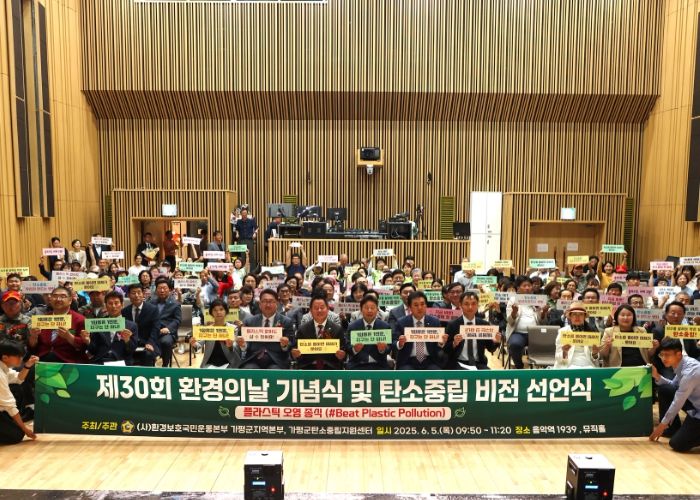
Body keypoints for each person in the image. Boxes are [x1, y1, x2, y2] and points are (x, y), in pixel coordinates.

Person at [649, 338, 700, 451]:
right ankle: (673, 428)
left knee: (677, 444)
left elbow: (678, 401)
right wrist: (657, 376)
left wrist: (662, 425)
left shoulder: (690, 372)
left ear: (678, 354)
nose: (663, 358)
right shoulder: (681, 363)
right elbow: (673, 386)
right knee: (665, 390)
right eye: (661, 355)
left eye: (667, 355)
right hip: (696, 406)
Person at [236, 290, 294, 369]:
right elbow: (246, 344)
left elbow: (291, 343)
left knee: (274, 371)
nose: (268, 304)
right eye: (264, 301)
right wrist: (243, 345)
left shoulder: (286, 321)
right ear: (260, 304)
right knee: (249, 369)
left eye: (271, 301)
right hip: (253, 358)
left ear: (277, 304)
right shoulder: (249, 321)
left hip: (277, 360)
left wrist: (285, 345)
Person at [27, 286, 87, 363]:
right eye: (55, 296)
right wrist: (33, 337)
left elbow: (84, 346)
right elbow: (32, 347)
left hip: (68, 362)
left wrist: (69, 337)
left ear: (70, 300)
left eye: (63, 296)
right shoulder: (42, 319)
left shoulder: (80, 319)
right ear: (50, 300)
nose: (58, 299)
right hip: (42, 361)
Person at [393, 291, 448, 370]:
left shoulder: (434, 321)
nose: (420, 308)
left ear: (426, 305)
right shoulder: (401, 322)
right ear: (410, 307)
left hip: (430, 360)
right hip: (408, 361)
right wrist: (400, 343)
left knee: (437, 373)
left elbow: (438, 345)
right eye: (416, 305)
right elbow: (394, 342)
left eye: (422, 304)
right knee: (405, 373)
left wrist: (441, 342)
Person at [446, 291, 501, 370]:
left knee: (489, 374)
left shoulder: (484, 324)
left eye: (474, 304)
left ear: (478, 305)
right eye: (466, 304)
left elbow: (491, 349)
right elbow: (445, 350)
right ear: (460, 305)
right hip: (458, 363)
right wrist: (454, 343)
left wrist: (496, 342)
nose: (470, 307)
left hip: (478, 363)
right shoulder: (453, 324)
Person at [80, 291, 138, 365]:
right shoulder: (98, 323)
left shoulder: (132, 326)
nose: (113, 306)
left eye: (116, 303)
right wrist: (87, 341)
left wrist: (127, 340)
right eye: (110, 303)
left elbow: (131, 350)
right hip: (100, 361)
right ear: (106, 306)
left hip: (121, 362)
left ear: (122, 305)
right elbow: (93, 350)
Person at [292, 295, 347, 370]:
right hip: (307, 368)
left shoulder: (337, 329)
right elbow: (296, 350)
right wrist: (296, 354)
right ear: (310, 310)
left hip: (331, 369)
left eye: (322, 307)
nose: (319, 310)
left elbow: (344, 352)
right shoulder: (302, 329)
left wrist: (342, 355)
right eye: (316, 308)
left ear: (328, 309)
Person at [0, 341, 38, 444]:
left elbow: (18, 378)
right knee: (17, 434)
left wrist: (28, 366)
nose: (21, 359)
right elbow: (10, 406)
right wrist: (25, 429)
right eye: (18, 356)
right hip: (4, 406)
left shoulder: (3, 367)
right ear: (5, 357)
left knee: (17, 388)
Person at [506, 276, 544, 369]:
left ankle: (539, 367)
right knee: (515, 344)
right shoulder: (513, 300)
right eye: (524, 286)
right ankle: (519, 367)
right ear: (518, 288)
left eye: (529, 285)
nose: (527, 288)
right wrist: (514, 312)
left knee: (547, 342)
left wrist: (544, 312)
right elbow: (510, 321)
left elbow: (542, 321)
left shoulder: (537, 299)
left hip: (535, 332)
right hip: (518, 333)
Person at [345, 295, 392, 370]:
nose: (369, 310)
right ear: (361, 310)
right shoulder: (353, 326)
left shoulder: (385, 326)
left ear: (377, 310)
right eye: (366, 308)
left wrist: (383, 349)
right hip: (357, 364)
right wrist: (355, 349)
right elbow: (347, 346)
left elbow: (389, 348)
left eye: (372, 308)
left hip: (379, 364)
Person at [190, 299, 241, 369]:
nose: (218, 312)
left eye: (221, 309)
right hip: (210, 363)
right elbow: (198, 345)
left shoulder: (233, 328)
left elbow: (236, 348)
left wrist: (230, 346)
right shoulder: (208, 329)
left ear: (226, 312)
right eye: (215, 310)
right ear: (211, 313)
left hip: (229, 363)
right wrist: (194, 343)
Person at [554, 302, 600, 369]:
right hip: (568, 365)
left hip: (588, 365)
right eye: (574, 314)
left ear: (584, 317)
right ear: (570, 317)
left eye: (580, 314)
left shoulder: (592, 332)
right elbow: (557, 358)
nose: (577, 317)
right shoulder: (563, 332)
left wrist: (594, 353)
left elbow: (595, 359)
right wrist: (564, 352)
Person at [122, 285, 161, 366]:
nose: (136, 295)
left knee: (147, 355)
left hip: (147, 343)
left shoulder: (153, 309)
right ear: (128, 295)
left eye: (139, 292)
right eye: (133, 293)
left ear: (143, 294)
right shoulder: (124, 311)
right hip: (130, 343)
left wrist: (150, 343)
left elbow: (155, 329)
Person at [150, 277, 182, 367]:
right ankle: (150, 365)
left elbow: (177, 320)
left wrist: (168, 328)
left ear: (169, 290)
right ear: (156, 290)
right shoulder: (151, 303)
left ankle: (165, 365)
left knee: (165, 342)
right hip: (153, 331)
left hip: (167, 333)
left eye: (164, 288)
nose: (162, 290)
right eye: (160, 288)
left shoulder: (175, 304)